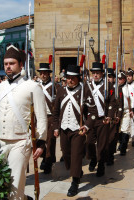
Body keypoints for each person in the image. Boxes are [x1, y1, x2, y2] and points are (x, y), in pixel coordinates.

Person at [0, 45, 47, 200]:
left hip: (21, 143)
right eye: (5, 64)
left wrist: (42, 141)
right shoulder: (0, 87)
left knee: (14, 187)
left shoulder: (33, 86)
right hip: (1, 141)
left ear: (20, 64)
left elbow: (42, 117)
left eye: (12, 63)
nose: (8, 67)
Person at [53, 65, 97, 197]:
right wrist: (56, 127)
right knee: (66, 155)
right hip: (64, 129)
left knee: (76, 155)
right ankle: (76, 171)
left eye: (73, 78)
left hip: (78, 129)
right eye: (68, 78)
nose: (70, 80)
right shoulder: (61, 91)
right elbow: (56, 112)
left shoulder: (85, 90)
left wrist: (87, 126)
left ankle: (75, 182)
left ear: (78, 78)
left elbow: (93, 112)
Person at [85, 62, 115, 177]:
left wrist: (110, 116)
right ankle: (93, 158)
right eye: (94, 73)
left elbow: (112, 102)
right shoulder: (87, 85)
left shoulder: (108, 86)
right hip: (91, 119)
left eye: (97, 73)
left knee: (102, 144)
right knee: (89, 142)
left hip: (103, 119)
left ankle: (101, 164)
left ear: (102, 74)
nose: (95, 75)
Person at [37, 62, 57, 174]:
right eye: (41, 73)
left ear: (49, 74)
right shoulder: (36, 85)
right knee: (39, 140)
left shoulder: (54, 86)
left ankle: (48, 162)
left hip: (50, 117)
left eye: (45, 73)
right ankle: (45, 157)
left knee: (50, 141)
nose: (43, 75)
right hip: (39, 117)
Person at [106, 68, 123, 165]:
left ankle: (110, 156)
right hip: (104, 117)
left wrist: (119, 116)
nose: (108, 79)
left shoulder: (118, 89)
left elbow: (120, 104)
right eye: (107, 77)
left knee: (112, 138)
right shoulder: (103, 88)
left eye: (110, 77)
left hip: (114, 117)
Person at [117, 70, 134, 156]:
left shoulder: (129, 88)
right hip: (117, 112)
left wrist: (132, 110)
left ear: (124, 79)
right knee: (118, 130)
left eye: (121, 79)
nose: (119, 80)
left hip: (126, 111)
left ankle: (123, 147)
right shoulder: (115, 87)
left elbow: (132, 99)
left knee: (125, 129)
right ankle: (121, 143)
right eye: (118, 78)